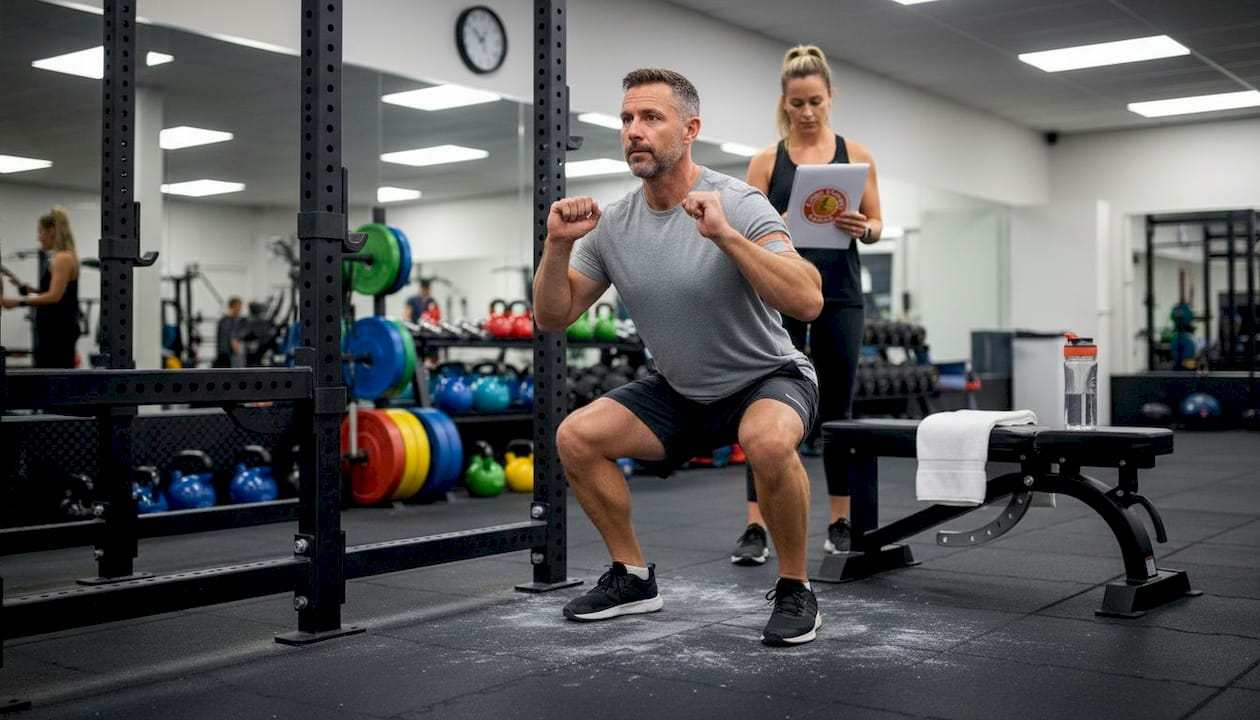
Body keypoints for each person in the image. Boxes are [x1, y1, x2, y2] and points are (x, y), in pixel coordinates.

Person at [533, 68, 825, 646]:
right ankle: (633, 578)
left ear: (689, 129)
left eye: (650, 118)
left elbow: (809, 298)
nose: (633, 131)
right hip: (683, 391)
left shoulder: (738, 203)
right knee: (577, 437)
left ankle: (796, 588)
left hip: (766, 377)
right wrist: (557, 245)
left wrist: (727, 238)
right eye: (625, 120)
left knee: (766, 441)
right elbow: (553, 315)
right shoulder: (613, 224)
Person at [730, 45, 884, 567]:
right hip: (780, 294)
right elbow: (742, 231)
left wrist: (866, 227)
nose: (807, 112)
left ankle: (840, 519)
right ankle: (756, 527)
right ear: (785, 102)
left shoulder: (856, 154)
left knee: (837, 408)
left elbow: (879, 224)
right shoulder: (766, 161)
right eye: (797, 103)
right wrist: (768, 217)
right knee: (767, 406)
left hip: (840, 292)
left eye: (815, 101)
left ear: (830, 97)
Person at [0, 206, 82, 368]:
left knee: (53, 379)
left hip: (57, 332)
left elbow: (54, 296)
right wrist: (33, 290)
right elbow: (60, 292)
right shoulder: (64, 257)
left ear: (51, 231)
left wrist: (18, 302)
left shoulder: (62, 258)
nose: (39, 238)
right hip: (55, 330)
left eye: (40, 232)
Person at [213, 296, 245, 368]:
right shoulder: (229, 321)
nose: (240, 310)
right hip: (227, 356)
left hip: (224, 355)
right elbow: (232, 339)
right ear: (234, 307)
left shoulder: (224, 320)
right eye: (239, 308)